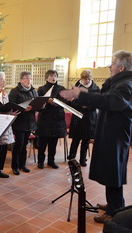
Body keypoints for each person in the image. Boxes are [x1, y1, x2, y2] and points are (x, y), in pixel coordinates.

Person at [60, 50, 132, 223]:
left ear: (121, 67)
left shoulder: (126, 84)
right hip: (111, 133)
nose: (109, 66)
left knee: (113, 172)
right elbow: (104, 96)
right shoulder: (119, 82)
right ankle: (114, 203)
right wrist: (85, 94)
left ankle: (114, 211)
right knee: (110, 171)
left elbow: (111, 102)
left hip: (116, 136)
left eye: (112, 63)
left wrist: (81, 95)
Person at [67, 69, 100, 166]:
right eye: (85, 79)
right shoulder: (76, 88)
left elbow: (99, 102)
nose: (87, 81)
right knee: (76, 139)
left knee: (86, 139)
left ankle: (82, 159)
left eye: (89, 79)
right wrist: (80, 105)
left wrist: (88, 106)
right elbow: (71, 102)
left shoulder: (96, 88)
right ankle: (72, 157)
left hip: (90, 116)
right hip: (78, 115)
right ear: (81, 79)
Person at [35, 70, 66, 169]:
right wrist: (46, 100)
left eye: (55, 76)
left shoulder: (61, 89)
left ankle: (51, 161)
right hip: (45, 118)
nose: (53, 78)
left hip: (57, 118)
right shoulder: (41, 89)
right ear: (46, 77)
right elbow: (38, 103)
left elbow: (65, 102)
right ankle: (40, 161)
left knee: (53, 142)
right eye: (51, 76)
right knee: (43, 142)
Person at [8, 71, 38, 175]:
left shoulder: (34, 91)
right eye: (26, 78)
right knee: (19, 145)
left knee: (25, 144)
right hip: (19, 122)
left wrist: (39, 106)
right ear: (20, 80)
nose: (28, 80)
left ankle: (22, 165)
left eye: (30, 78)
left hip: (30, 121)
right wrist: (23, 109)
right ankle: (15, 166)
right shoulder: (14, 91)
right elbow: (12, 106)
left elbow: (36, 103)